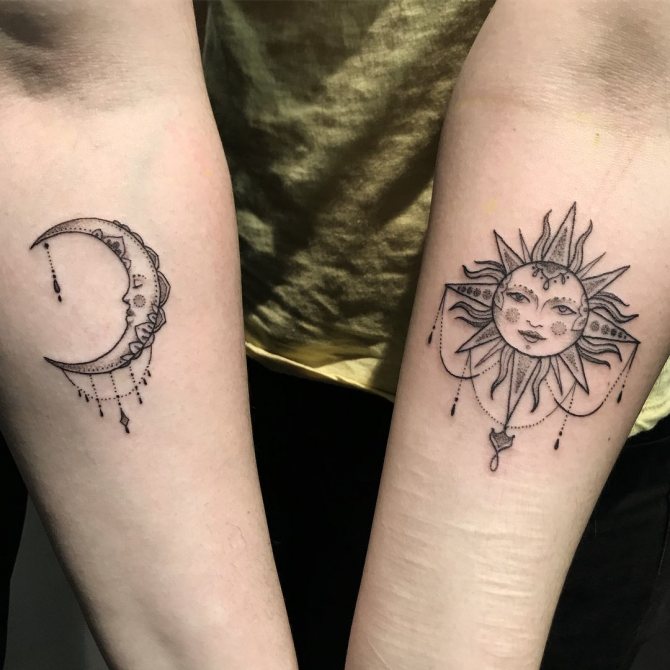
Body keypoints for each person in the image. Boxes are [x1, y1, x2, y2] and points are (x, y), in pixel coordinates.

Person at [2, 1, 670, 669]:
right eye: (522, 301)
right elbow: (64, 77)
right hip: (239, 349)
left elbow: (617, 83)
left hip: (574, 450)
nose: (534, 321)